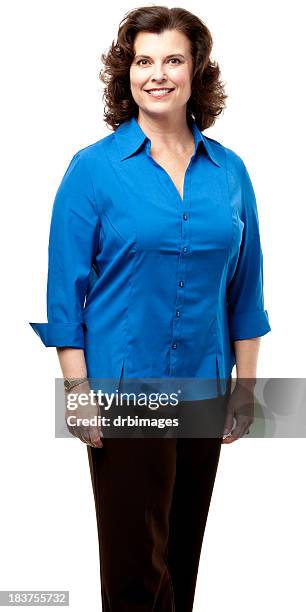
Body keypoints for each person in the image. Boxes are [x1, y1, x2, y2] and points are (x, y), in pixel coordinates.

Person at [28, 6, 271, 611]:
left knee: (181, 564)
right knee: (137, 572)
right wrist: (76, 390)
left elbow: (247, 287)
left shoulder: (231, 171)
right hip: (126, 391)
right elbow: (66, 293)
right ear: (127, 72)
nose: (156, 74)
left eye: (172, 59)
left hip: (206, 386)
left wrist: (247, 388)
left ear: (196, 72)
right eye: (143, 60)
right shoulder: (93, 170)